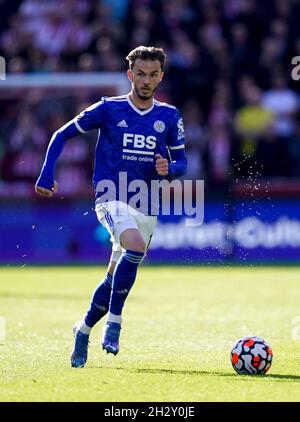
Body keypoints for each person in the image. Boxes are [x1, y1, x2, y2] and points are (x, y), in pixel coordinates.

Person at [35, 46, 187, 368]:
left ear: (161, 76)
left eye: (153, 75)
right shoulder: (108, 108)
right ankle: (115, 323)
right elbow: (61, 135)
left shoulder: (169, 116)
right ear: (130, 75)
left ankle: (83, 328)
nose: (146, 81)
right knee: (133, 244)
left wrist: (169, 169)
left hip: (147, 204)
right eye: (141, 74)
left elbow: (182, 162)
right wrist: (47, 172)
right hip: (111, 196)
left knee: (114, 278)